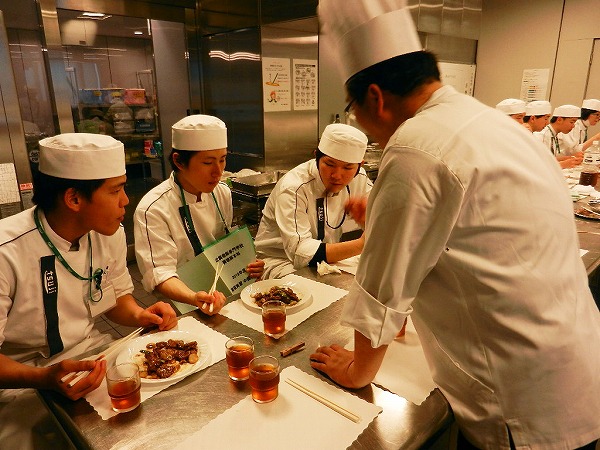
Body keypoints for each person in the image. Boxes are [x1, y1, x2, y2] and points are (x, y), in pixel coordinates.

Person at [312, 1, 600, 449]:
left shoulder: (414, 146)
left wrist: (357, 370)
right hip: (573, 367)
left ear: (375, 98)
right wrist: (395, 222)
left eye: (352, 109)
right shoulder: (489, 122)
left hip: (518, 405)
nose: (360, 124)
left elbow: (381, 291)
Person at [0, 133, 177, 449]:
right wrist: (44, 378)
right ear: (74, 199)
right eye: (115, 190)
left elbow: (116, 298)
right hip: (22, 383)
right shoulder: (6, 251)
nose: (125, 201)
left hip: (94, 358)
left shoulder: (108, 234)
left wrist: (141, 315)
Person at [134, 115, 264, 313]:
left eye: (222, 160)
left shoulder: (222, 192)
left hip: (222, 295)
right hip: (178, 305)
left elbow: (225, 244)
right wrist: (194, 298)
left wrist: (248, 263)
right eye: (207, 162)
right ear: (179, 161)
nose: (218, 171)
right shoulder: (153, 208)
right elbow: (159, 273)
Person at [254, 123, 372, 279]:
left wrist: (367, 219)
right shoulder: (294, 187)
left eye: (348, 168)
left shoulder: (360, 178)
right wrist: (361, 244)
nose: (337, 175)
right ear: (316, 157)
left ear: (360, 166)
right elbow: (301, 252)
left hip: (327, 259)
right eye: (329, 164)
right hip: (282, 262)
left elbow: (380, 219)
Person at [533, 104, 583, 169]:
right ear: (559, 120)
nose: (573, 126)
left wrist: (570, 158)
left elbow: (550, 159)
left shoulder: (554, 134)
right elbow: (538, 164)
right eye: (571, 122)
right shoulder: (541, 135)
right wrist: (563, 164)